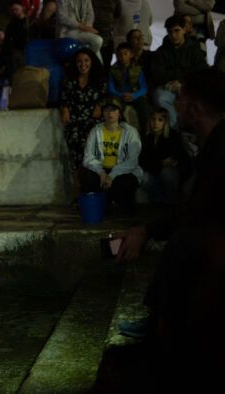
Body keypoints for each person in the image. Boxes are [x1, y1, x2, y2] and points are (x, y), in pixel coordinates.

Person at [116, 69, 225, 391]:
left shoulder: (219, 147)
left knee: (183, 244)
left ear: (195, 108)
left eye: (180, 99)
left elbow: (199, 210)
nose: (175, 105)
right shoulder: (214, 143)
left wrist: (148, 229)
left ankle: (162, 336)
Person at [81, 97, 143, 214]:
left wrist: (112, 175)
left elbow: (132, 161)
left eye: (114, 110)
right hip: (102, 169)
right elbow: (88, 157)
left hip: (122, 170)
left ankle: (117, 203)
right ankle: (103, 203)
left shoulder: (130, 132)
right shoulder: (96, 131)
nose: (110, 113)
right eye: (107, 110)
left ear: (119, 113)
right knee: (87, 177)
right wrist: (101, 173)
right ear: (103, 113)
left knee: (126, 183)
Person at [60, 48, 107, 199]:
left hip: (92, 123)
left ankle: (95, 188)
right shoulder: (69, 80)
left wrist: (100, 105)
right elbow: (63, 98)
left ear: (92, 62)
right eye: (80, 61)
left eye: (86, 60)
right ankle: (78, 191)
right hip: (75, 123)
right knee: (75, 151)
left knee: (92, 152)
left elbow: (105, 98)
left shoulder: (99, 80)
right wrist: (65, 108)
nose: (83, 64)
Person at [150, 15, 208, 129]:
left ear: (184, 30)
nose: (173, 35)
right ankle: (178, 129)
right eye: (170, 32)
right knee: (160, 98)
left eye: (177, 31)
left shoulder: (194, 49)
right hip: (168, 86)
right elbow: (158, 74)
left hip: (189, 86)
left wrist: (182, 83)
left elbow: (201, 71)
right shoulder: (161, 52)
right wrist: (176, 79)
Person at [139, 107, 188, 204]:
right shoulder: (146, 138)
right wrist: (161, 163)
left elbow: (178, 157)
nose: (156, 123)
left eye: (160, 120)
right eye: (153, 119)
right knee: (141, 176)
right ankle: (158, 200)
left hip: (168, 173)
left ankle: (172, 201)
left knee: (168, 173)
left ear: (165, 122)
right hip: (153, 171)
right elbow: (143, 161)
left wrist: (171, 162)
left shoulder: (173, 136)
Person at [108, 42, 148, 131]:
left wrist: (134, 96)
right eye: (120, 54)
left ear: (131, 55)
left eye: (125, 53)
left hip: (134, 95)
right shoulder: (113, 70)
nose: (122, 56)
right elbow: (110, 88)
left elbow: (144, 87)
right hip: (119, 96)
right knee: (113, 107)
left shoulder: (138, 69)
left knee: (143, 106)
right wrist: (120, 95)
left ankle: (144, 133)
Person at [3, 1, 31, 84]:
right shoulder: (11, 25)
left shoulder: (29, 21)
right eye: (12, 10)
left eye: (16, 9)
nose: (14, 11)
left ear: (22, 8)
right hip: (17, 52)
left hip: (29, 50)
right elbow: (6, 40)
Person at [91, 0, 121, 70]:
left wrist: (110, 26)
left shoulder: (115, 1)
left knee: (106, 67)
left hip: (108, 37)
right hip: (92, 36)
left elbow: (117, 15)